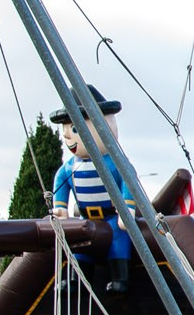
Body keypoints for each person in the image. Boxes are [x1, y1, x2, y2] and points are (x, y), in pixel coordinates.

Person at [49, 85, 135, 294]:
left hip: (111, 219)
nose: (69, 137)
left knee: (118, 241)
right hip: (86, 219)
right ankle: (76, 281)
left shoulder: (115, 163)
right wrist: (60, 207)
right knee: (80, 247)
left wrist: (127, 208)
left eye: (75, 130)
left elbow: (129, 183)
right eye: (66, 131)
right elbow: (61, 184)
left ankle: (120, 279)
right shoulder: (70, 167)